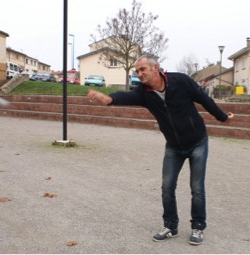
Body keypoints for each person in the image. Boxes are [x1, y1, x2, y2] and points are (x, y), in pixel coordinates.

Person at [88, 54, 234, 246]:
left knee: (197, 188)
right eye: (137, 71)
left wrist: (223, 117)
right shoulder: (144, 92)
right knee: (167, 187)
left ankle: (198, 226)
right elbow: (128, 96)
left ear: (155, 68)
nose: (139, 74)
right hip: (174, 146)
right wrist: (108, 99)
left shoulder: (180, 81)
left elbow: (204, 99)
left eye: (142, 69)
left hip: (198, 142)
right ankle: (170, 226)